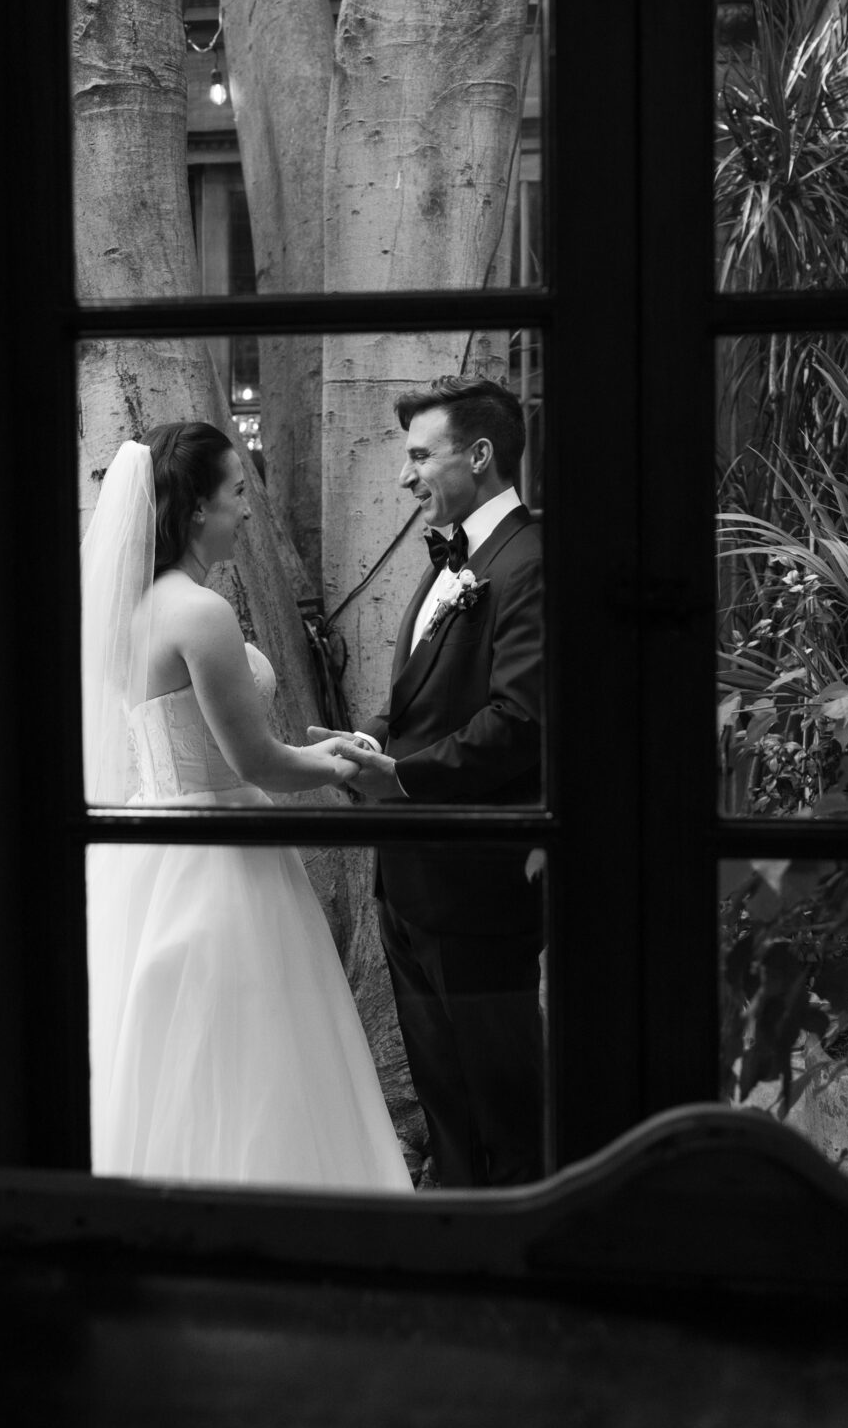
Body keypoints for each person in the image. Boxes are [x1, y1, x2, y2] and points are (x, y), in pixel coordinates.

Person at [81, 422, 414, 1192]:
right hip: (220, 856)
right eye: (237, 492)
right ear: (196, 508)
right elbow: (257, 761)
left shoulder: (130, 615)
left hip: (150, 848)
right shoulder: (198, 613)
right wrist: (348, 759)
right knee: (256, 1050)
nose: (248, 511)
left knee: (172, 1049)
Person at [312, 376, 545, 1188]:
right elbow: (427, 700)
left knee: (502, 1097)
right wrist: (368, 739)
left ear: (479, 456)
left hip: (477, 885)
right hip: (410, 881)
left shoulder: (531, 561)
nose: (404, 477)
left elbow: (519, 720)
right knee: (445, 1093)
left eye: (419, 456)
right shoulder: (458, 560)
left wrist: (402, 778)